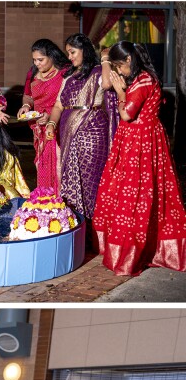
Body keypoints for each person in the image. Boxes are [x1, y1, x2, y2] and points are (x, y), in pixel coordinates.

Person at [93, 42, 186, 276]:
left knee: (136, 196)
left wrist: (121, 92)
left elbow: (126, 114)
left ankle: (133, 253)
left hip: (142, 143)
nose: (118, 71)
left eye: (118, 66)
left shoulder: (144, 81)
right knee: (129, 192)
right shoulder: (139, 78)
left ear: (128, 60)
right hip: (134, 140)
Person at [45, 34, 119, 228]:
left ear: (84, 50)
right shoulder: (68, 76)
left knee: (90, 179)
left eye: (72, 52)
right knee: (70, 178)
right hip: (68, 130)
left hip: (93, 131)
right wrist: (51, 123)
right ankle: (75, 225)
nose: (69, 57)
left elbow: (107, 84)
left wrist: (105, 58)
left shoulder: (98, 71)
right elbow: (58, 105)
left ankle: (95, 228)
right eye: (68, 53)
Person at [19, 39, 70, 192]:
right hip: (39, 128)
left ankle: (59, 199)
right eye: (34, 60)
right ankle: (45, 199)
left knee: (58, 165)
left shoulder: (65, 72)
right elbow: (28, 95)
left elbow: (69, 100)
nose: (37, 63)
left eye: (40, 60)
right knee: (42, 164)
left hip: (58, 126)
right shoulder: (33, 73)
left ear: (52, 56)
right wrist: (26, 106)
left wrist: (50, 116)